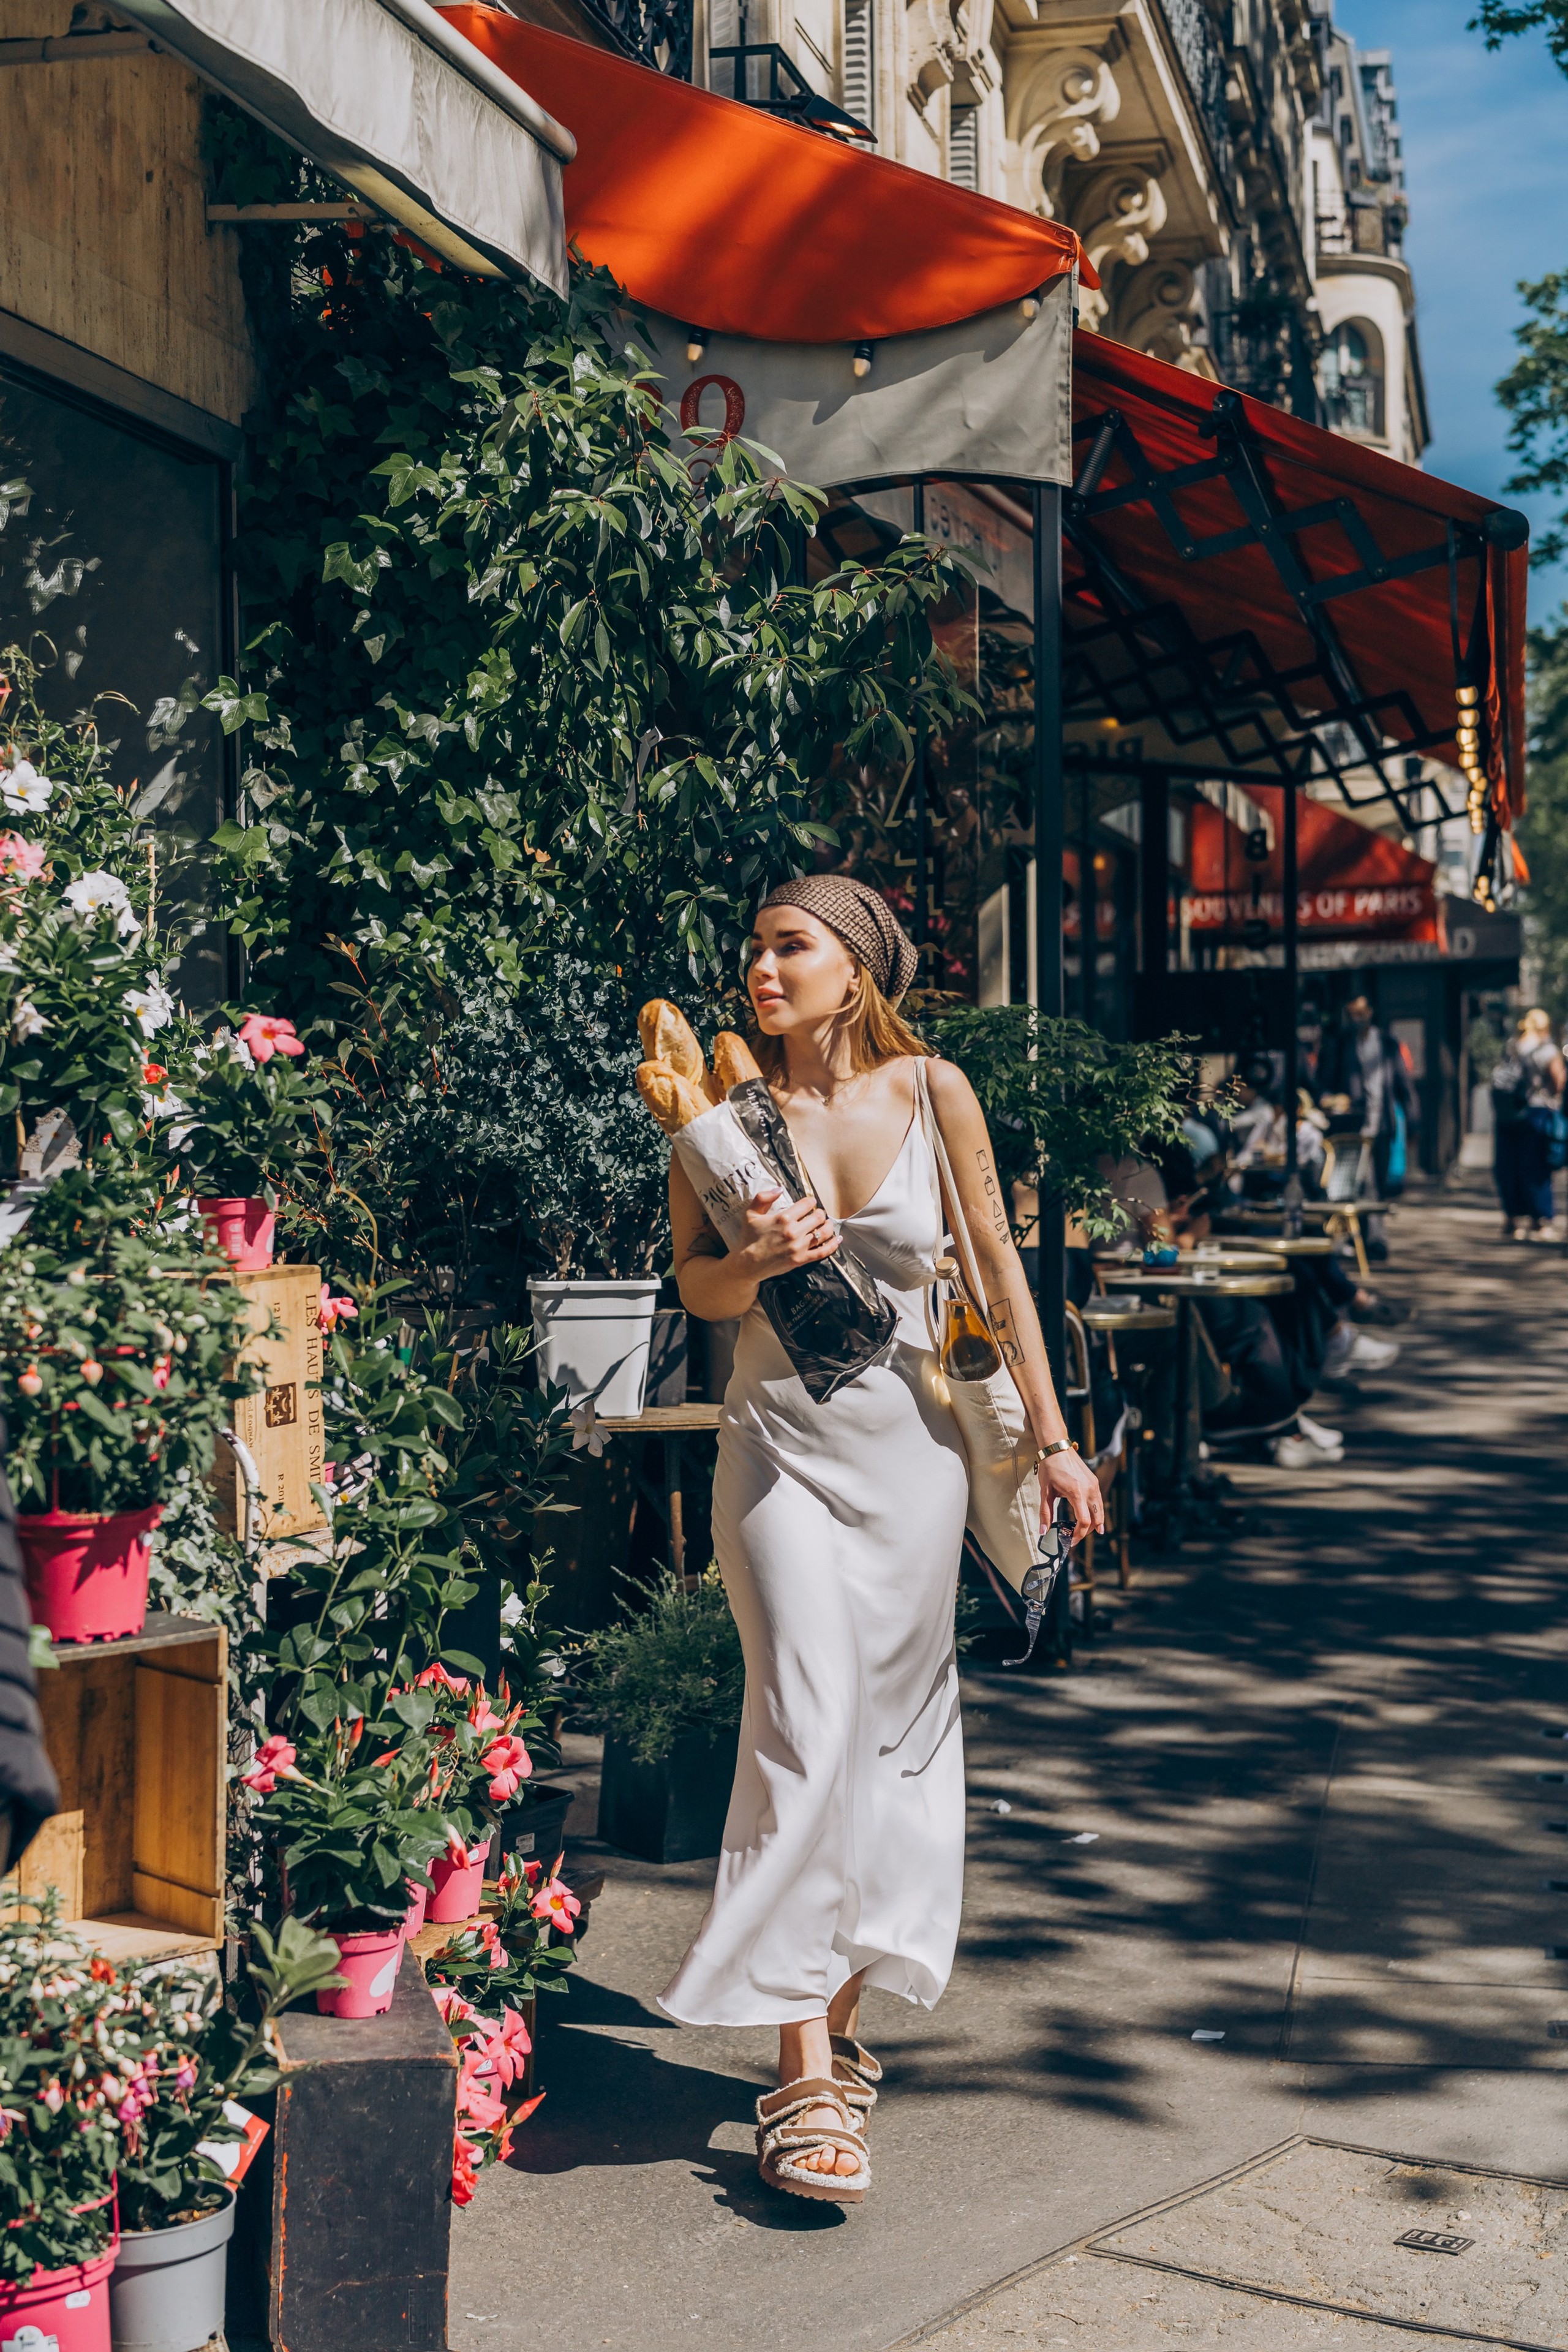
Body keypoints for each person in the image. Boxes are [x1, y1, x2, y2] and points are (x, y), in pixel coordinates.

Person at [662, 876, 1102, 2205]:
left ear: (856, 970)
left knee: (894, 1741)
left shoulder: (933, 1094)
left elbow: (995, 1259)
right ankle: (800, 2072)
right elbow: (691, 1287)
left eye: (788, 945)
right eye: (751, 944)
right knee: (803, 1718)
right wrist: (755, 1258)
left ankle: (835, 2011)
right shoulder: (715, 1116)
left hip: (911, 1461)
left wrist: (1054, 1434)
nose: (760, 966)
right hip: (775, 1450)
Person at [1491, 1008, 1566, 1243]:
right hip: (1536, 1113)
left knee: (1509, 1166)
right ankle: (1541, 1219)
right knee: (1535, 1168)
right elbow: (1558, 1082)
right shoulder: (1546, 1050)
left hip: (1509, 1114)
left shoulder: (1513, 1047)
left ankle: (1512, 1218)